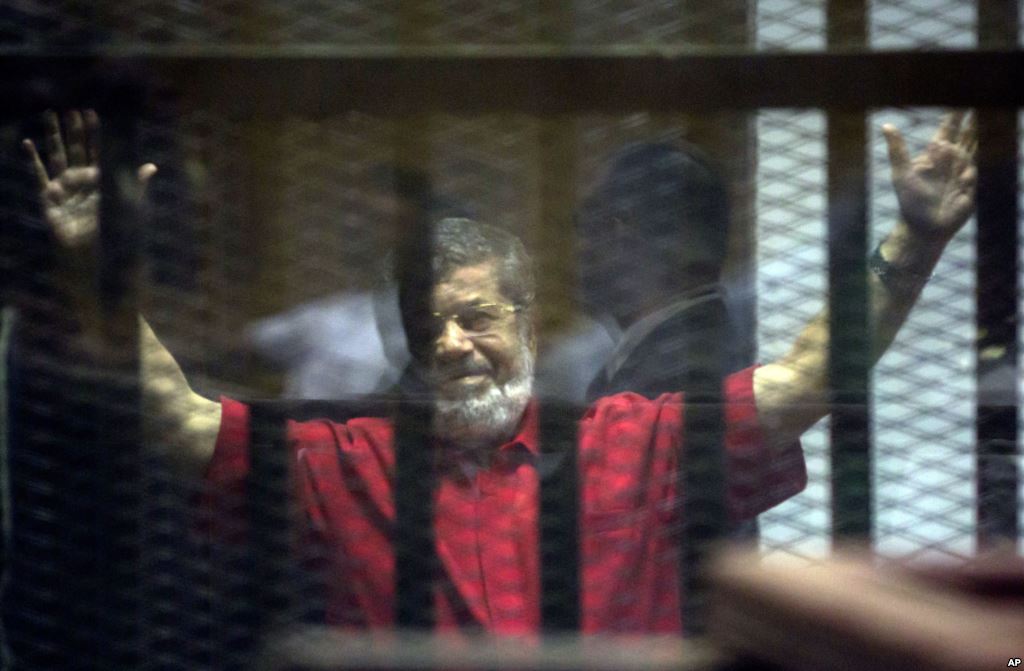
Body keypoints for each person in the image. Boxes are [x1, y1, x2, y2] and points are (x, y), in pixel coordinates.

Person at [20, 109, 977, 634]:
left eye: (476, 316)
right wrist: (96, 270)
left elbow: (809, 375)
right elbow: (180, 420)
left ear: (525, 319)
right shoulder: (340, 457)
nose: (452, 344)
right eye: (425, 327)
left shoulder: (634, 438)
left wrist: (918, 239)